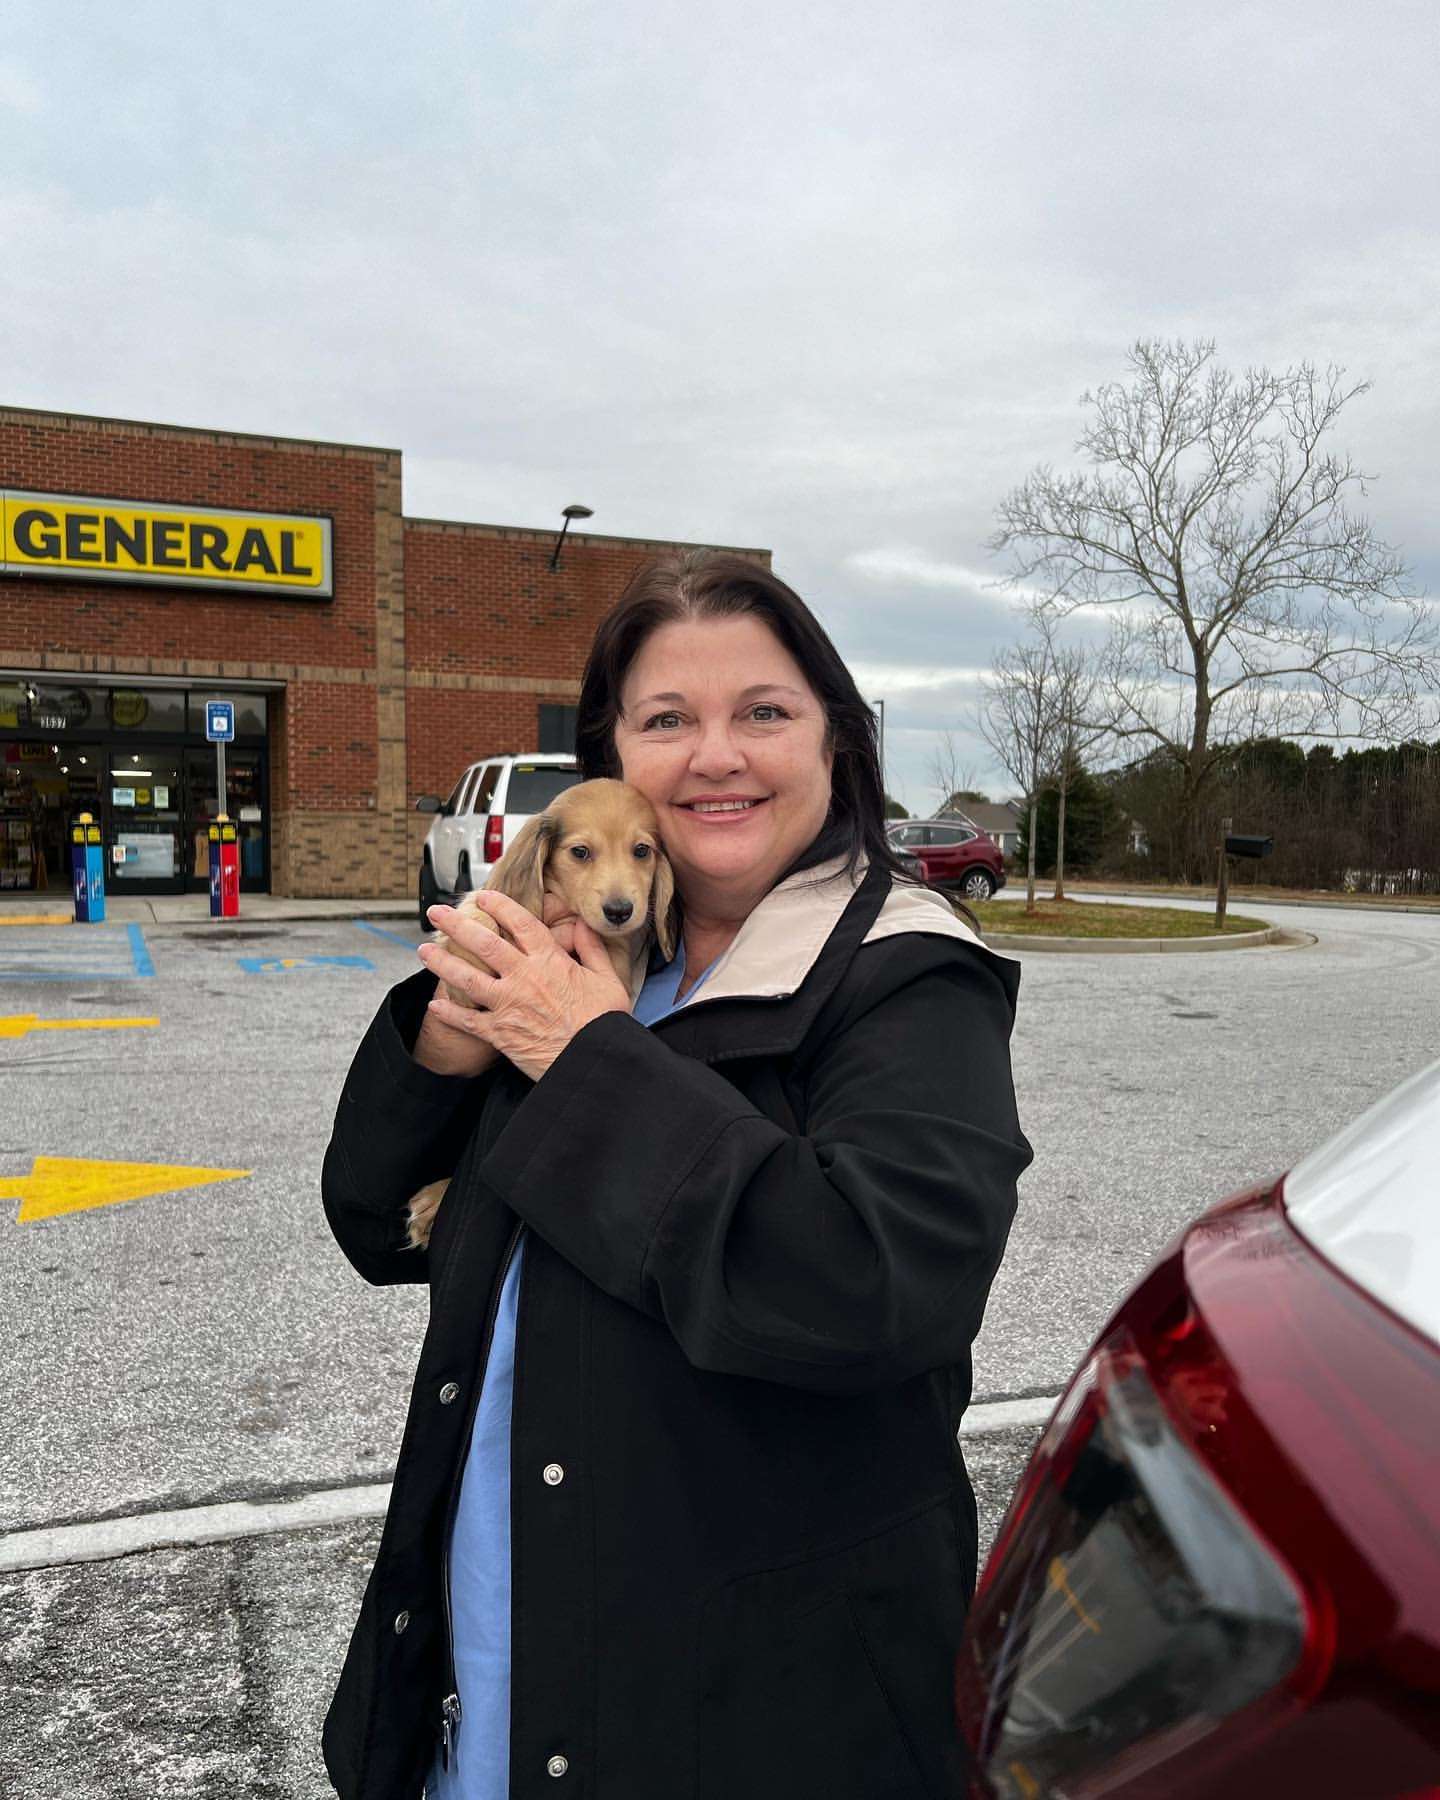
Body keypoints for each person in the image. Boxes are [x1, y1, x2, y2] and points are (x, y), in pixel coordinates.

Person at [320, 550, 1033, 1800]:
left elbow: (867, 1290)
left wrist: (581, 1058)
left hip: (747, 1718)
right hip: (494, 1673)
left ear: (837, 745)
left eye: (763, 711)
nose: (715, 755)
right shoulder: (583, 967)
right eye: (665, 720)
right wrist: (439, 1047)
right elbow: (380, 1227)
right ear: (612, 761)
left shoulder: (906, 978)